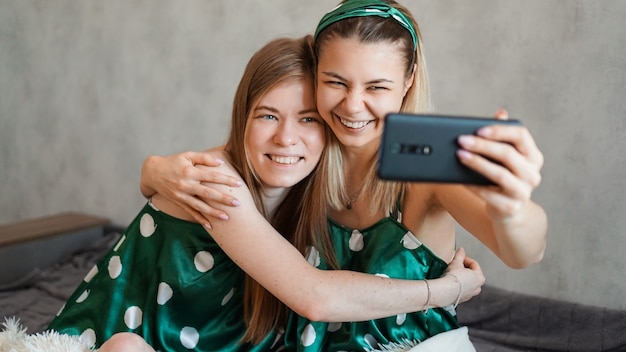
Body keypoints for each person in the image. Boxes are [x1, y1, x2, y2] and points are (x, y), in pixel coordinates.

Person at [139, 1, 547, 350]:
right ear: (315, 74)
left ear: (408, 81)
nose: (353, 107)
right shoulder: (303, 154)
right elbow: (210, 166)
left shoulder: (421, 170)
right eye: (335, 82)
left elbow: (523, 253)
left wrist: (513, 211)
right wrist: (155, 168)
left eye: (377, 87)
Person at [47, 34, 484, 352]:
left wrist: (152, 170)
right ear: (243, 118)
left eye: (309, 119)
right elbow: (314, 296)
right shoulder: (218, 179)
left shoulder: (317, 183)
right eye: (268, 116)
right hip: (132, 342)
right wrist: (446, 290)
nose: (286, 138)